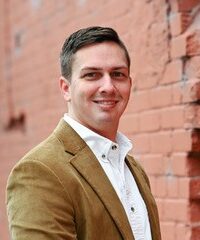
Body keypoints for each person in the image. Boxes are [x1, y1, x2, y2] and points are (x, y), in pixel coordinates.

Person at [6, 26, 161, 240]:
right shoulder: (38, 171)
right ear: (66, 88)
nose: (108, 86)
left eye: (118, 74)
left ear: (129, 84)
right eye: (92, 75)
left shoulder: (133, 168)